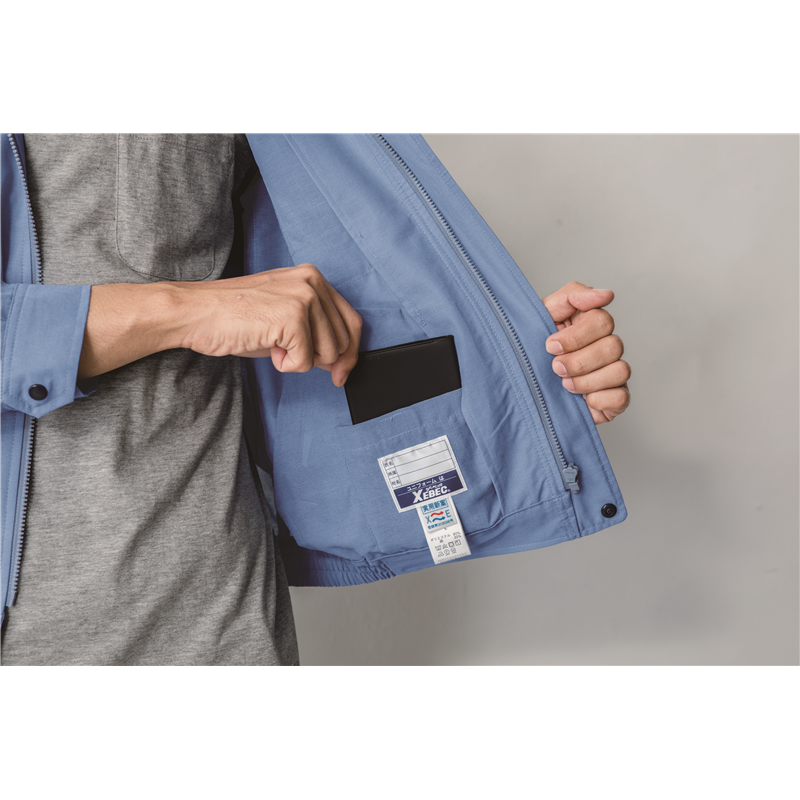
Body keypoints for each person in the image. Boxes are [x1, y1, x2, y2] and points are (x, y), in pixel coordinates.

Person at [0, 134, 630, 666]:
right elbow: (220, 308)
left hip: (218, 628)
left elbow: (302, 292)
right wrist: (180, 309)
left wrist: (509, 371)